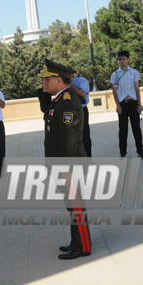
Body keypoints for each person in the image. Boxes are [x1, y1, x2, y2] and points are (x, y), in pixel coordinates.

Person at [40, 59, 91, 260]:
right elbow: (47, 113)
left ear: (59, 80)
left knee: (77, 207)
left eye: (46, 80)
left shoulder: (68, 102)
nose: (43, 84)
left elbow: (70, 139)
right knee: (72, 206)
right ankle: (75, 242)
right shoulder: (60, 99)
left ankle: (83, 247)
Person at [110, 51, 143, 159]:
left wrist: (139, 103)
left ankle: (140, 151)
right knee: (122, 129)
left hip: (133, 102)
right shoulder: (115, 74)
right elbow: (114, 91)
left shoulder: (134, 72)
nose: (121, 61)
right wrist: (117, 105)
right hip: (122, 103)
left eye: (123, 59)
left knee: (136, 129)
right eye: (120, 59)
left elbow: (137, 88)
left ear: (128, 59)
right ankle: (123, 151)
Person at [69, 73, 92, 157]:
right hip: (70, 110)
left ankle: (88, 158)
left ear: (72, 74)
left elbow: (83, 94)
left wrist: (70, 86)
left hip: (81, 110)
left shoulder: (82, 81)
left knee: (84, 135)